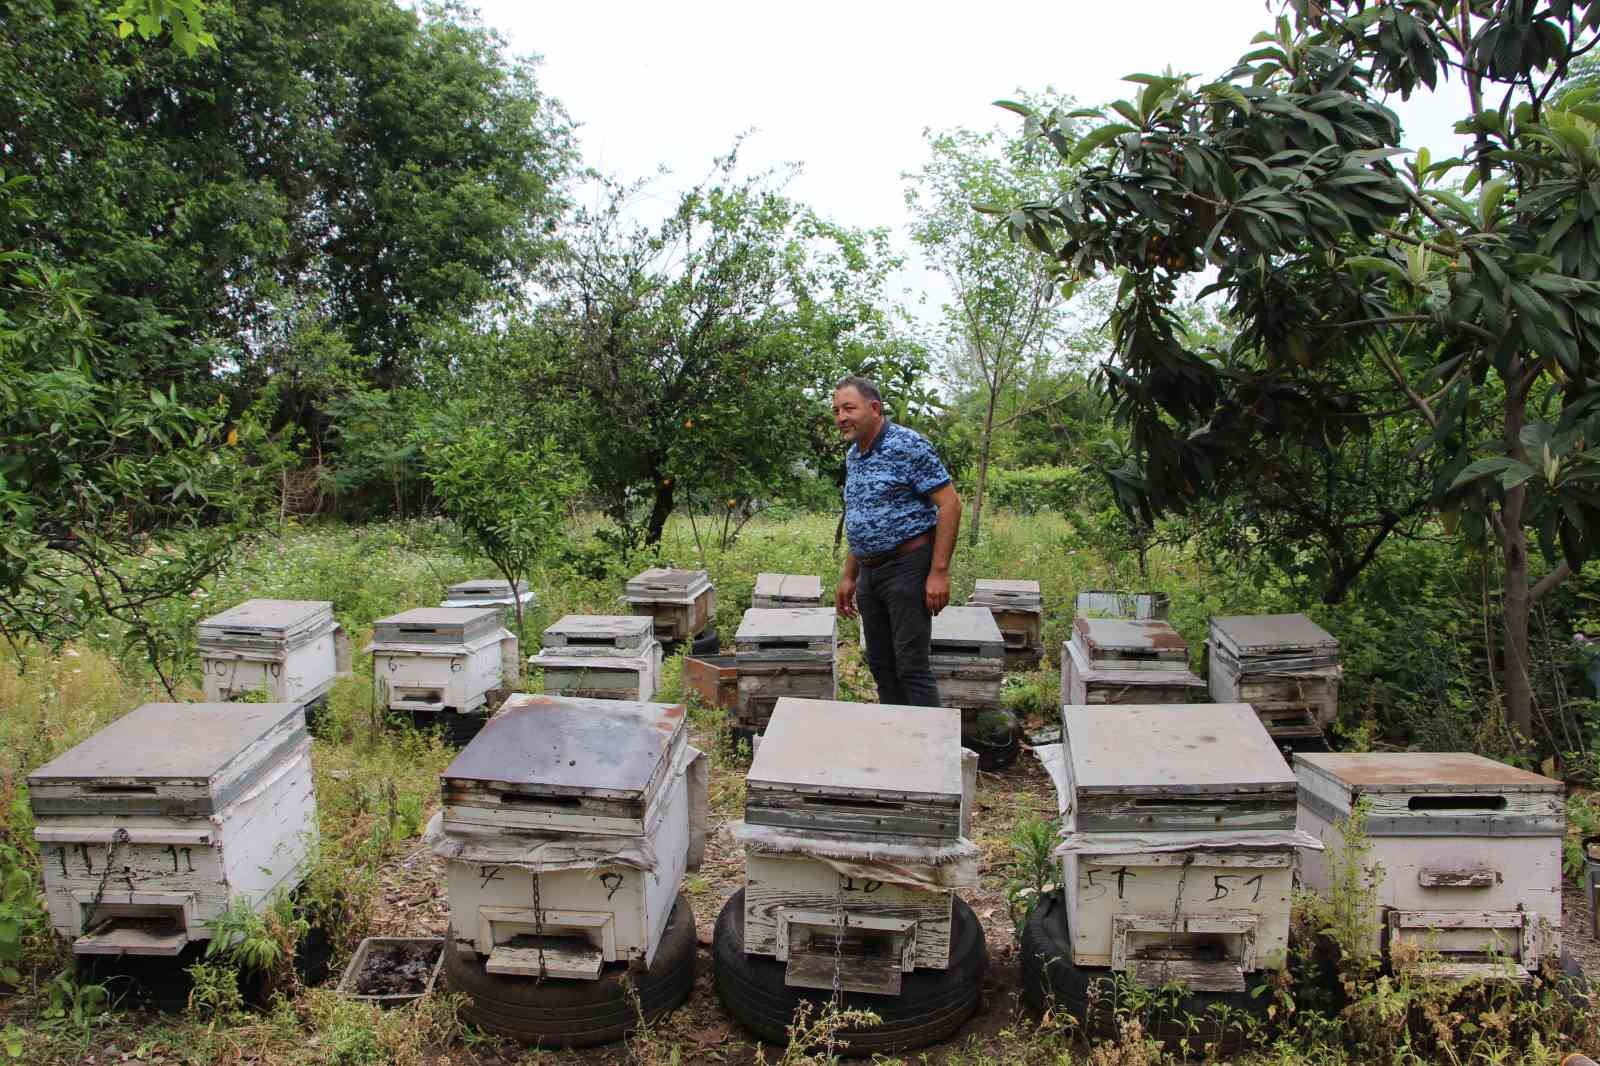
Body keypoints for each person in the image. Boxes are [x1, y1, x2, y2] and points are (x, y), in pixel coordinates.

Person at [832, 376, 962, 707]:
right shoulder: (854, 456)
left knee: (911, 667)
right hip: (869, 573)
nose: (841, 417)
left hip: (908, 568)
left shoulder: (908, 445)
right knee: (880, 665)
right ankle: (896, 741)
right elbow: (861, 517)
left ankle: (931, 751)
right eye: (836, 411)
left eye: (849, 408)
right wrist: (849, 575)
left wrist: (939, 572)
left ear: (874, 408)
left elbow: (950, 505)